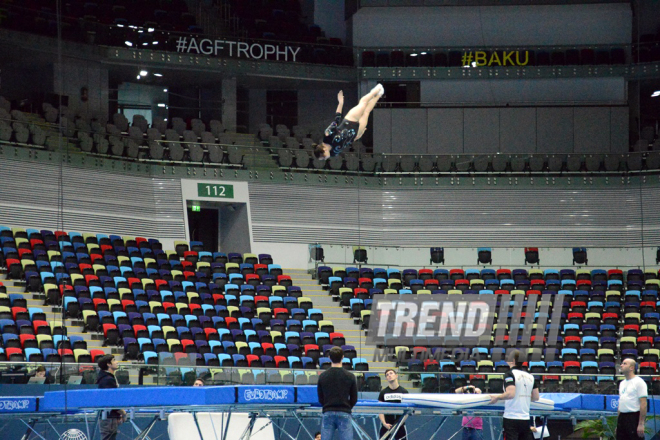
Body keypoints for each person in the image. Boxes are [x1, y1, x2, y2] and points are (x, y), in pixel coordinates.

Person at [313, 84, 385, 160]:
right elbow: (345, 144)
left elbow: (336, 119)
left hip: (349, 120)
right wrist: (358, 136)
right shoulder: (333, 153)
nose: (325, 159)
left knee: (363, 103)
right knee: (367, 111)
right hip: (356, 133)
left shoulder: (327, 135)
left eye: (323, 158)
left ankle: (376, 90)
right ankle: (379, 94)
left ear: (323, 150)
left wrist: (340, 103)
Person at [489, 349, 540, 440]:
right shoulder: (530, 376)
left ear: (513, 360)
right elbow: (536, 397)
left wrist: (497, 397)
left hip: (511, 418)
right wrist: (523, 397)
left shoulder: (510, 374)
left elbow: (510, 394)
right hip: (525, 418)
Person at [317, 346, 358, 440]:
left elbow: (320, 398)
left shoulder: (323, 376)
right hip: (344, 411)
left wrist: (328, 406)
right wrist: (346, 407)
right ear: (343, 357)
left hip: (328, 411)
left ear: (329, 358)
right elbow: (354, 398)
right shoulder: (350, 376)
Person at [96, 355, 126, 440]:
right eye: (114, 360)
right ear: (108, 364)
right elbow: (110, 400)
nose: (117, 362)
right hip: (108, 417)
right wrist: (122, 412)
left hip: (110, 416)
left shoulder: (108, 378)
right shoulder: (107, 380)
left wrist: (117, 414)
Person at [617, 358, 647, 439]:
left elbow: (643, 404)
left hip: (633, 418)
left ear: (632, 368)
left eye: (624, 363)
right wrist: (618, 422)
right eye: (622, 363)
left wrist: (641, 424)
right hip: (622, 418)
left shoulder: (639, 382)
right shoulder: (622, 383)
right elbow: (621, 403)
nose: (621, 365)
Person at [378, 369, 409, 439]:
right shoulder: (383, 393)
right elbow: (380, 410)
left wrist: (399, 424)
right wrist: (384, 423)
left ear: (396, 376)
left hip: (400, 425)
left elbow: (407, 411)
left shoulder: (404, 392)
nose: (389, 375)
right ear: (386, 378)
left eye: (391, 373)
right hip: (386, 425)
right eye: (387, 375)